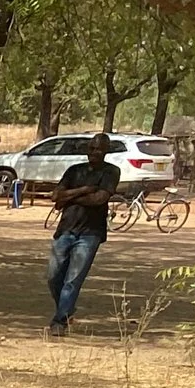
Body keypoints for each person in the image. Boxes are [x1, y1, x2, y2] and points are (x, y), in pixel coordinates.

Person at [47, 133, 120, 338]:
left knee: (73, 279)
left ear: (106, 151)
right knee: (53, 276)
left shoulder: (111, 172)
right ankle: (67, 309)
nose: (94, 153)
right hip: (66, 229)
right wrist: (84, 189)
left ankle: (59, 320)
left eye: (99, 149)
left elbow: (100, 199)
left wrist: (68, 197)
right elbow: (55, 195)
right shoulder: (74, 170)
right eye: (91, 148)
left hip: (90, 233)